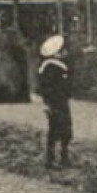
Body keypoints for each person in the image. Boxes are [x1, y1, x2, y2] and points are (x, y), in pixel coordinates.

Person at [38, 35, 72, 169]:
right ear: (57, 52)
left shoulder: (51, 66)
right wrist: (48, 102)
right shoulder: (52, 67)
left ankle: (60, 155)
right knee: (56, 129)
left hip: (60, 101)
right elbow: (48, 87)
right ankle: (54, 157)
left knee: (63, 129)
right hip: (56, 102)